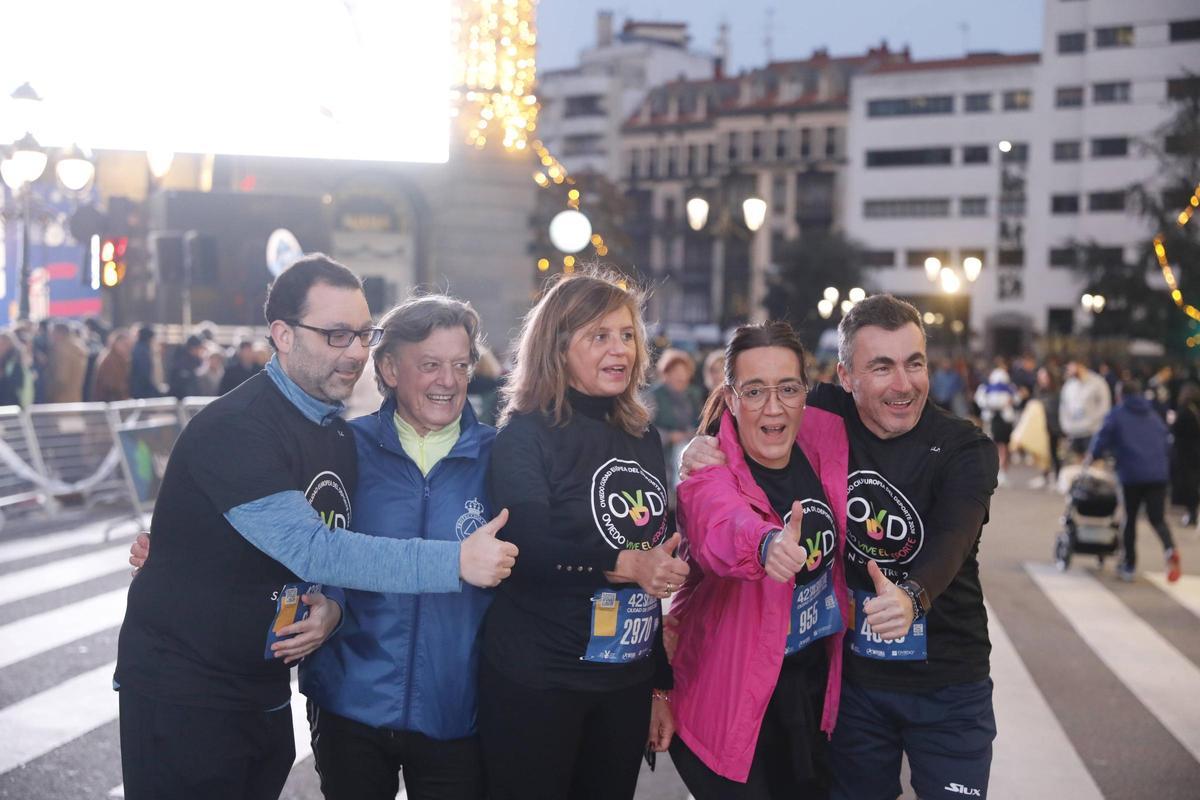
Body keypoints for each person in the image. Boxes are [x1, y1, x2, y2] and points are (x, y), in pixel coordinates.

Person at [114, 255, 516, 800]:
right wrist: (455, 561)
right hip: (187, 693)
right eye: (335, 334)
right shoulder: (240, 426)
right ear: (281, 334)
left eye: (361, 334)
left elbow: (310, 543)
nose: (354, 350)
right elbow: (313, 546)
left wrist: (332, 608)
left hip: (265, 687)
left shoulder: (331, 432)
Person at [682, 294, 999, 800]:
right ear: (846, 378)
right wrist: (702, 447)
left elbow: (952, 540)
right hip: (856, 687)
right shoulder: (824, 410)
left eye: (914, 364)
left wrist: (911, 596)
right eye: (882, 367)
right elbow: (755, 410)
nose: (904, 384)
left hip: (948, 680)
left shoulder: (965, 447)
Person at [478, 268, 686, 800]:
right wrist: (624, 562)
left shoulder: (642, 435)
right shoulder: (525, 434)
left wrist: (659, 683)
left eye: (627, 335)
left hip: (624, 682)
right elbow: (526, 545)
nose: (621, 349)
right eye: (600, 336)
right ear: (557, 346)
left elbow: (651, 565)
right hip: (540, 679)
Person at [299, 294, 502, 800]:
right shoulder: (343, 446)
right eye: (430, 365)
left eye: (460, 365)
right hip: (351, 699)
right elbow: (295, 537)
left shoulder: (501, 457)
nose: (449, 381)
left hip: (457, 709)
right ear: (389, 369)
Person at [667, 322, 851, 798]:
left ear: (805, 393)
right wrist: (766, 545)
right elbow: (720, 528)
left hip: (807, 695)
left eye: (788, 388)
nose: (774, 406)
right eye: (754, 391)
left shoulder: (821, 436)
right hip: (731, 702)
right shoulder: (707, 473)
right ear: (730, 398)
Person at [1084, 379, 1182, 583]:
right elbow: (1166, 442)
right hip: (1157, 475)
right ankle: (1170, 548)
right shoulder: (1153, 415)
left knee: (1129, 518)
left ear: (1120, 395)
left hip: (1131, 475)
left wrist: (1092, 457)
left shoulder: (1117, 414)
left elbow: (1102, 438)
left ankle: (1128, 565)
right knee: (1157, 518)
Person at [650, 348, 705, 491]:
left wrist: (692, 434)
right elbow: (645, 429)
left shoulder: (693, 395)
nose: (681, 377)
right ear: (666, 374)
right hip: (661, 456)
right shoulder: (653, 396)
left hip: (688, 452)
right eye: (676, 372)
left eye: (684, 372)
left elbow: (700, 423)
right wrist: (669, 436)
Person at [974, 362, 1018, 487]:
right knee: (994, 447)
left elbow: (1016, 399)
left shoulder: (1009, 388)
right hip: (993, 420)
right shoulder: (986, 388)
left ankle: (1002, 472)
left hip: (1003, 421)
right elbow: (981, 401)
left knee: (1003, 447)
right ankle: (996, 472)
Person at [1060, 360, 1111, 458]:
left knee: (1094, 466)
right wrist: (1066, 426)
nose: (1068, 370)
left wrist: (1092, 423)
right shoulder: (1069, 385)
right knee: (1076, 466)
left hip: (1092, 431)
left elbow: (1104, 407)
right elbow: (1064, 407)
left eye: (1071, 366)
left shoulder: (1098, 383)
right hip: (1074, 432)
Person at [1172, 383, 1200, 528]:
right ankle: (1192, 514)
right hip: (1195, 453)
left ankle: (1192, 515)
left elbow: (1176, 430)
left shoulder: (1184, 412)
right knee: (1193, 485)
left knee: (1189, 486)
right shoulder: (1195, 411)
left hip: (1186, 454)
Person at [46, 321, 88, 403]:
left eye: (53, 332)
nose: (50, 335)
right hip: (74, 397)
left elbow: (62, 378)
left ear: (60, 333)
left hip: (61, 400)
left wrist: (50, 394)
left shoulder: (63, 350)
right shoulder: (77, 348)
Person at [92, 328, 134, 402]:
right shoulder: (110, 359)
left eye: (129, 346)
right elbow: (112, 386)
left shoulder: (120, 359)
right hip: (108, 403)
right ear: (115, 343)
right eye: (125, 345)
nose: (128, 348)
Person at [168, 334, 206, 398]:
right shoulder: (180, 361)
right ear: (193, 348)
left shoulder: (197, 360)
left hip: (192, 398)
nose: (200, 351)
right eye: (199, 348)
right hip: (180, 398)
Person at [130, 325, 162, 399]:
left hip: (139, 389)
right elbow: (144, 375)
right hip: (142, 391)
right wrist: (154, 391)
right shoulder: (142, 352)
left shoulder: (137, 349)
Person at [0, 330, 28, 408]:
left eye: (3, 343)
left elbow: (18, 384)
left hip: (10, 404)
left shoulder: (15, 361)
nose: (1, 346)